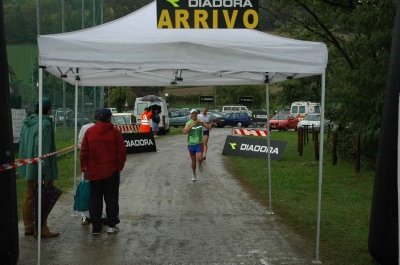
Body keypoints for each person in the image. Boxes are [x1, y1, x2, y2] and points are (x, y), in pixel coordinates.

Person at [80, 108, 127, 235]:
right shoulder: (115, 132)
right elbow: (121, 152)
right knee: (111, 198)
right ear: (108, 118)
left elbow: (84, 151)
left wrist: (85, 168)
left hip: (94, 172)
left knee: (95, 199)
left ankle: (96, 227)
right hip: (111, 171)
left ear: (97, 118)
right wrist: (119, 166)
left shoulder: (90, 132)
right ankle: (111, 225)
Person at [19, 97, 60, 238]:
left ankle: (29, 226)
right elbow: (42, 148)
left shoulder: (28, 122)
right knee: (42, 197)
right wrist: (45, 169)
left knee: (30, 195)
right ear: (49, 109)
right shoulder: (46, 124)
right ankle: (42, 228)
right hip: (40, 167)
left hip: (29, 164)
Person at [183, 109, 212, 181]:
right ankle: (194, 173)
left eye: (195, 113)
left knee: (199, 158)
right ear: (191, 115)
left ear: (197, 114)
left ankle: (200, 163)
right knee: (193, 161)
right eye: (192, 114)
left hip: (199, 143)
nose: (194, 115)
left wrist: (202, 123)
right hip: (191, 144)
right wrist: (192, 125)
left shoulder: (200, 121)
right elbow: (184, 132)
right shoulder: (188, 123)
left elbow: (209, 128)